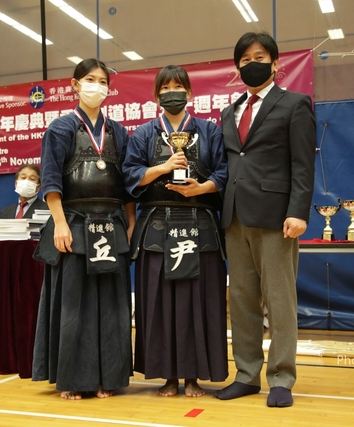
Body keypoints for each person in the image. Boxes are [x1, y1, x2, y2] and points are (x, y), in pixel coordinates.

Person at [214, 32, 316, 407]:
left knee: (279, 299)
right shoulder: (229, 112)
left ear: (275, 63)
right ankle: (246, 374)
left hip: (276, 217)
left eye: (259, 57)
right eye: (244, 59)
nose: (251, 64)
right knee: (241, 300)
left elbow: (303, 163)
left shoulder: (295, 104)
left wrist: (298, 211)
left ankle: (282, 378)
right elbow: (231, 162)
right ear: (237, 67)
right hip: (234, 216)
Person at [32, 58, 135, 400]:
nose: (97, 86)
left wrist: (131, 223)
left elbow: (128, 185)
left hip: (112, 225)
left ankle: (109, 377)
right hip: (74, 223)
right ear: (75, 85)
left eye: (103, 81)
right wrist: (60, 223)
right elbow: (50, 180)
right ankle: (74, 379)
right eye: (90, 79)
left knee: (112, 305)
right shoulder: (60, 128)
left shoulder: (118, 132)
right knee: (74, 305)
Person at [123, 65, 229, 397]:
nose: (172, 93)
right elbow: (129, 176)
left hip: (201, 225)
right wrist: (163, 168)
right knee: (160, 302)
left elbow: (224, 172)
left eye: (178, 87)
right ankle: (167, 375)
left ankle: (194, 375)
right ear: (156, 96)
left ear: (190, 93)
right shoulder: (143, 133)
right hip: (157, 226)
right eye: (165, 88)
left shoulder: (209, 131)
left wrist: (203, 188)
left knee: (199, 301)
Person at [0, 164, 48, 237]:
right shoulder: (3, 213)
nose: (27, 181)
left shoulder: (47, 210)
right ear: (16, 183)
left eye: (32, 179)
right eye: (23, 177)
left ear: (38, 187)